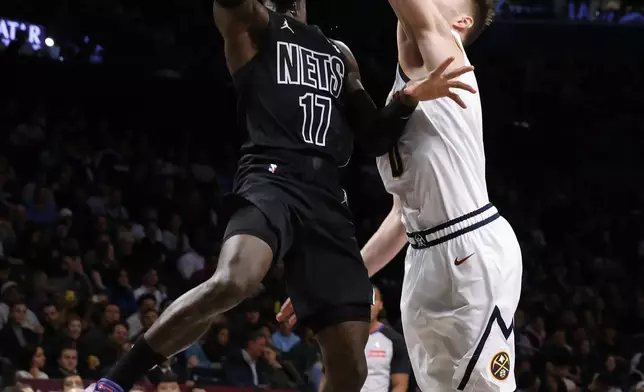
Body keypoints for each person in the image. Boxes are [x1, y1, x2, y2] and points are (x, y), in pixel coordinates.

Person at [86, 1, 473, 392]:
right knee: (233, 281)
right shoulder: (254, 24)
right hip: (272, 177)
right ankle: (113, 383)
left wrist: (407, 98)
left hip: (327, 198)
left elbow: (373, 136)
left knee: (351, 368)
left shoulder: (338, 52)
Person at [279, 0, 522, 391]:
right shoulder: (407, 91)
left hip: (471, 246)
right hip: (421, 253)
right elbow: (400, 218)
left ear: (459, 22)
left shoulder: (449, 55)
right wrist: (342, 280)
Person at [361, 286, 409, 392]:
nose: (368, 306)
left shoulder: (394, 340)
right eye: (362, 302)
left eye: (372, 301)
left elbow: (400, 385)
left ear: (380, 305)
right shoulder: (342, 340)